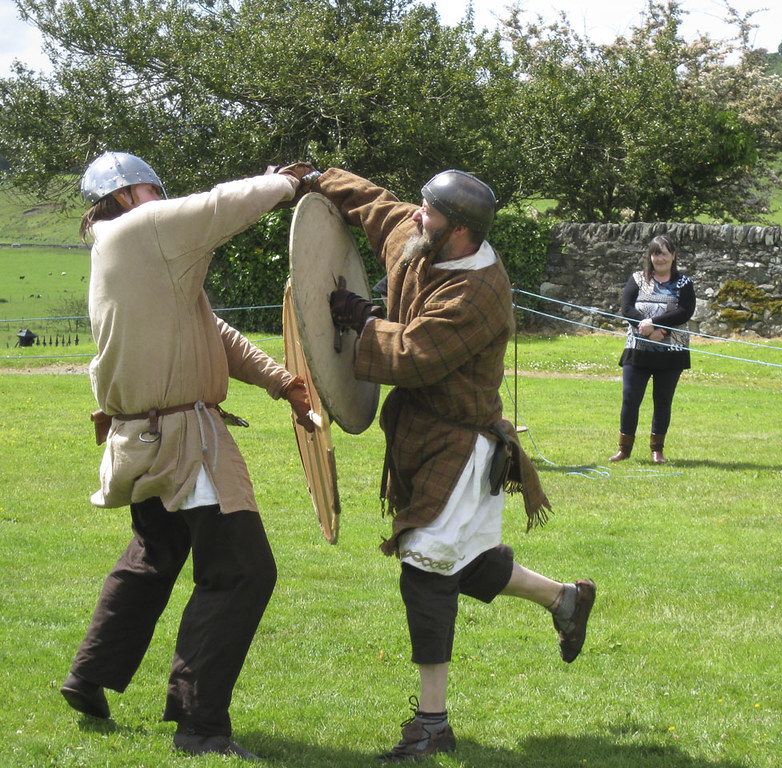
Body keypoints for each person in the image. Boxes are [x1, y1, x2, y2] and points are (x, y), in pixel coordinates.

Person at [317, 168, 596, 763]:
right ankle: (565, 599)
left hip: (463, 446)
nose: (418, 217)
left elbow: (415, 355)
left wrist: (365, 321)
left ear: (461, 232)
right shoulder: (424, 241)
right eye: (422, 208)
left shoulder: (479, 293)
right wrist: (316, 180)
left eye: (431, 213)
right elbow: (380, 210)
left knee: (425, 572)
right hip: (424, 437)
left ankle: (432, 722)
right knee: (459, 563)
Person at [60, 151, 317, 760]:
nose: (160, 197)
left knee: (154, 554)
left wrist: (282, 381)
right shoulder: (140, 229)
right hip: (181, 444)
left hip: (143, 442)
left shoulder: (122, 251)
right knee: (242, 572)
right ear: (125, 194)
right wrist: (286, 184)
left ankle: (89, 676)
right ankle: (201, 727)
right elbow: (221, 205)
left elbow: (212, 331)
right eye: (151, 188)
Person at [608, 235, 696, 464]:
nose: (660, 258)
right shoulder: (637, 279)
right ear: (650, 256)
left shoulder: (684, 282)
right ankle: (623, 450)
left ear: (673, 256)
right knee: (630, 398)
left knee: (663, 400)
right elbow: (626, 307)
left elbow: (685, 311)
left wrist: (655, 325)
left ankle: (657, 450)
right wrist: (646, 330)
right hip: (637, 350)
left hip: (671, 353)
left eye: (665, 253)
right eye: (656, 253)